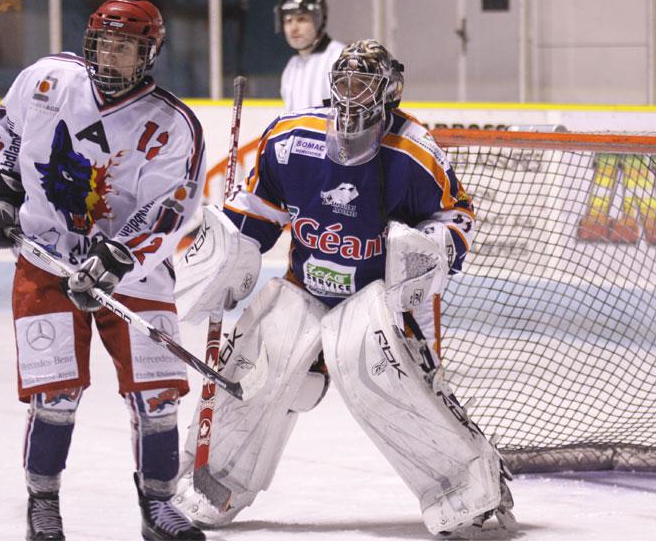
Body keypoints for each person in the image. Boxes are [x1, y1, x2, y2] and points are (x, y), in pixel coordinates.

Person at [171, 40, 514, 536]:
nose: (352, 96)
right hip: (304, 283)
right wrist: (230, 249)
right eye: (344, 83)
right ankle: (216, 478)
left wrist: (429, 248)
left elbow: (455, 216)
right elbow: (259, 208)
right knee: (255, 369)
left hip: (373, 298)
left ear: (388, 92)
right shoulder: (291, 139)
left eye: (364, 84)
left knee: (381, 378)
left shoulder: (414, 151)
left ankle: (472, 494)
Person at [0, 0, 207, 541]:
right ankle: (43, 503)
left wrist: (115, 257)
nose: (112, 56)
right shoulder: (45, 81)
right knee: (53, 395)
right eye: (105, 43)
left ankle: (159, 505)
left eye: (126, 47)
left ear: (149, 54)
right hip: (44, 261)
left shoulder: (172, 125)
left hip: (133, 275)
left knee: (158, 393)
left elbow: (169, 209)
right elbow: (7, 136)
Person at [275, 0, 346, 111]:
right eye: (288, 20)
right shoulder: (291, 67)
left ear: (319, 20)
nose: (293, 28)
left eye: (301, 19)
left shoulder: (340, 58)